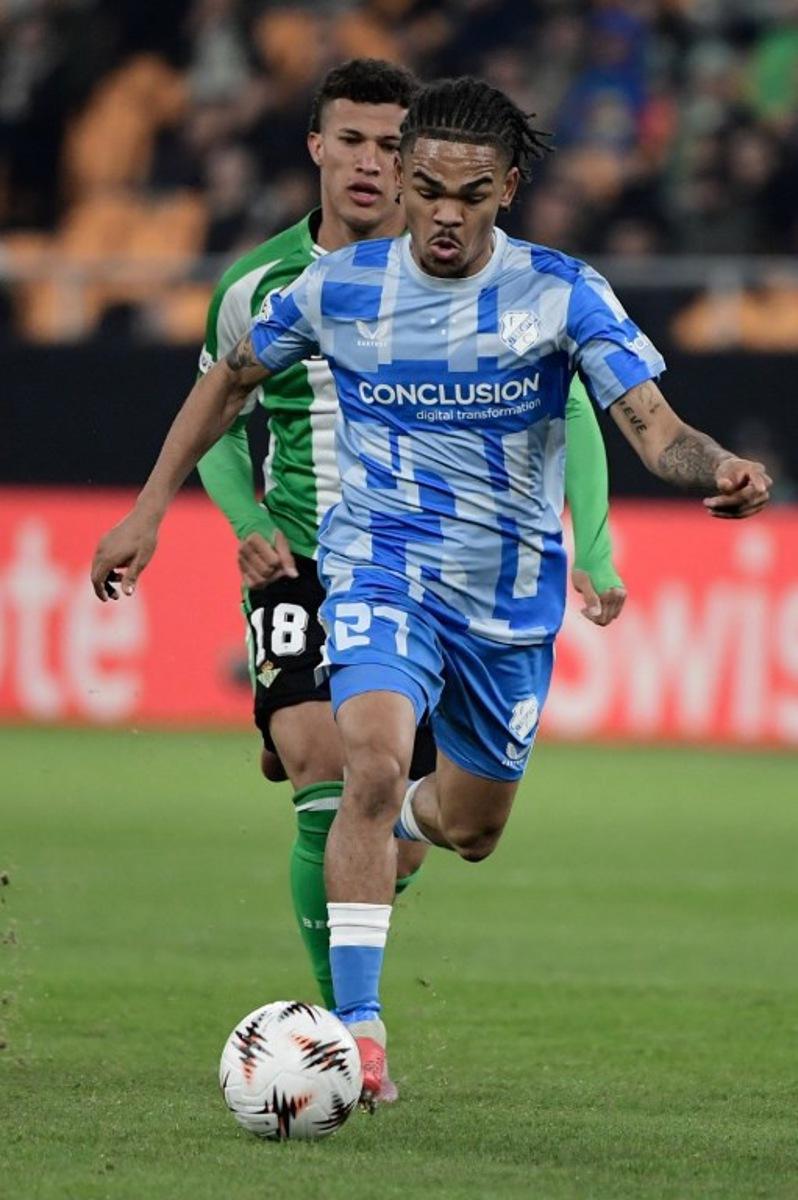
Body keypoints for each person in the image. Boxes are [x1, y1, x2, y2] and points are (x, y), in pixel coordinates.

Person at [93, 76, 765, 1110]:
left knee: (471, 828)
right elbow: (226, 381)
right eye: (429, 190)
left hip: (505, 603)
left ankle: (406, 818)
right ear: (404, 178)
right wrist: (149, 508)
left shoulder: (562, 294)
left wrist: (719, 468)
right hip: (378, 569)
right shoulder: (336, 288)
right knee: (361, 760)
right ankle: (356, 1034)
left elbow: (654, 428)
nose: (446, 215)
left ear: (511, 188)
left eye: (472, 196)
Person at [192, 56, 627, 1087]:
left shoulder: (490, 286)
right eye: (352, 140)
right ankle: (347, 1038)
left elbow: (579, 403)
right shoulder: (264, 285)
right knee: (335, 771)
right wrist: (237, 520)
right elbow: (219, 410)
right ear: (316, 145)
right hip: (314, 555)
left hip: (462, 576)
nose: (371, 163)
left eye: (392, 147)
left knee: (429, 823)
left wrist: (595, 546)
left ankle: (358, 919)